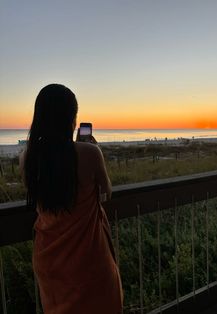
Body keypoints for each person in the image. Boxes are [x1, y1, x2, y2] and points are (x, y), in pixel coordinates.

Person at [20, 84, 123, 314]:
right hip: (90, 259)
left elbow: (39, 198)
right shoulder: (89, 153)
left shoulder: (28, 158)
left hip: (49, 261)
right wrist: (93, 149)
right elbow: (106, 192)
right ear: (72, 119)